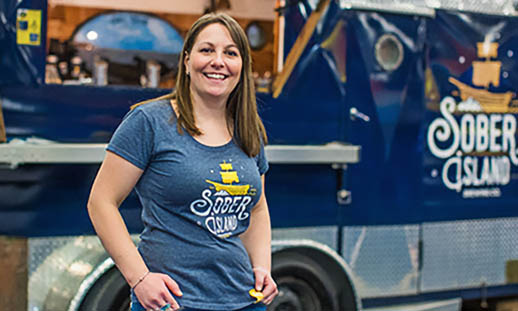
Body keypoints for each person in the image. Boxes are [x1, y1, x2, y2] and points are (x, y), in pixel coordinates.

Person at [87, 12, 278, 311]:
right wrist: (139, 279)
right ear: (187, 61)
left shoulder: (247, 128)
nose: (218, 61)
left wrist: (262, 267)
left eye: (230, 53)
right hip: (172, 302)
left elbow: (257, 206)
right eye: (207, 50)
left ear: (242, 66)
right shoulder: (149, 122)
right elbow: (101, 201)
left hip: (244, 300)